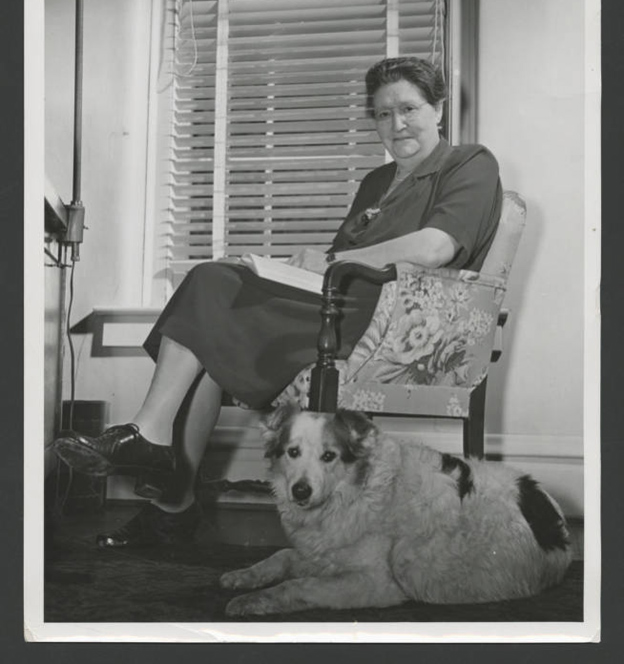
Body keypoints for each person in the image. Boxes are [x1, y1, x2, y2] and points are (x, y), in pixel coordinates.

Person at [53, 57, 503, 548]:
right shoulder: (377, 182)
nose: (396, 125)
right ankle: (170, 504)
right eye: (381, 114)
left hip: (390, 322)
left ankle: (153, 449)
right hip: (341, 305)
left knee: (211, 287)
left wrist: (331, 258)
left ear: (437, 107)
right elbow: (340, 265)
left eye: (409, 109)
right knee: (213, 309)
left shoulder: (469, 163)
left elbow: (436, 247)